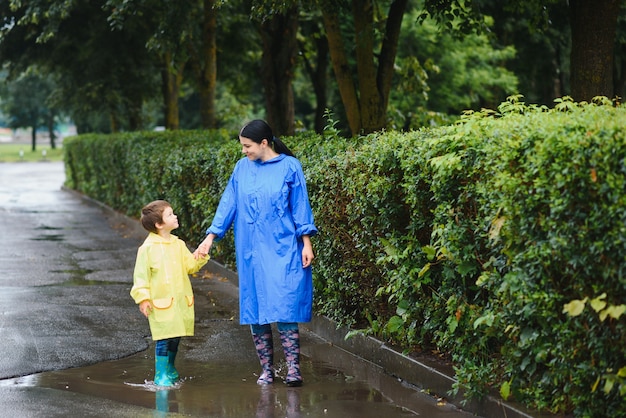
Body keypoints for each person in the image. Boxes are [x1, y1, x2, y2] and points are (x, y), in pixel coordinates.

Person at [194, 119, 317, 387]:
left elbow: (300, 206)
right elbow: (229, 202)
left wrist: (306, 242)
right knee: (256, 306)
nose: (243, 151)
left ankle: (294, 369)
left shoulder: (289, 167)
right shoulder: (242, 169)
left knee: (285, 303)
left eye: (247, 146)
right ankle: (267, 370)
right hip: (251, 249)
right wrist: (211, 236)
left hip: (283, 246)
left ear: (264, 143)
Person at [131, 200, 209, 387]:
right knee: (164, 337)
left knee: (176, 335)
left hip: (180, 301)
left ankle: (170, 368)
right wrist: (143, 298)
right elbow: (141, 276)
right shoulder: (147, 249)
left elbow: (189, 266)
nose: (175, 216)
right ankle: (160, 373)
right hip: (160, 303)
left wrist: (200, 255)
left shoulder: (178, 244)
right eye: (170, 215)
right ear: (159, 225)